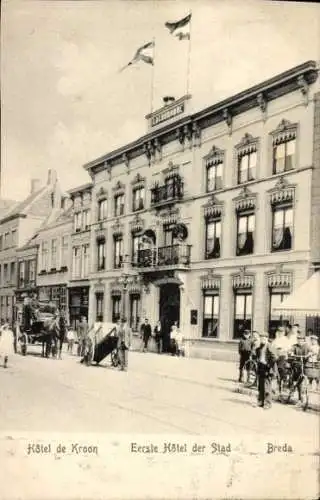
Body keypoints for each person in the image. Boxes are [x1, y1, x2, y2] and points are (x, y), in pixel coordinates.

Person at [288, 332, 311, 406]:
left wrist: (310, 354)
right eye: (298, 340)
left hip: (304, 365)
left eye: (301, 340)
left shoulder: (306, 346)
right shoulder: (295, 346)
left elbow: (312, 351)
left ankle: (300, 398)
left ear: (303, 340)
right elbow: (290, 350)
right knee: (295, 381)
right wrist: (291, 353)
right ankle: (293, 391)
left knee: (301, 382)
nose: (300, 341)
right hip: (296, 365)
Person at [255, 332, 278, 409]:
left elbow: (275, 357)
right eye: (261, 338)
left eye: (264, 338)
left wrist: (268, 364)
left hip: (267, 368)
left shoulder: (269, 346)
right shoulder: (260, 347)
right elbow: (258, 356)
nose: (262, 340)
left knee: (267, 387)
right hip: (261, 367)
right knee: (260, 386)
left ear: (267, 339)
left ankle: (268, 403)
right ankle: (261, 401)